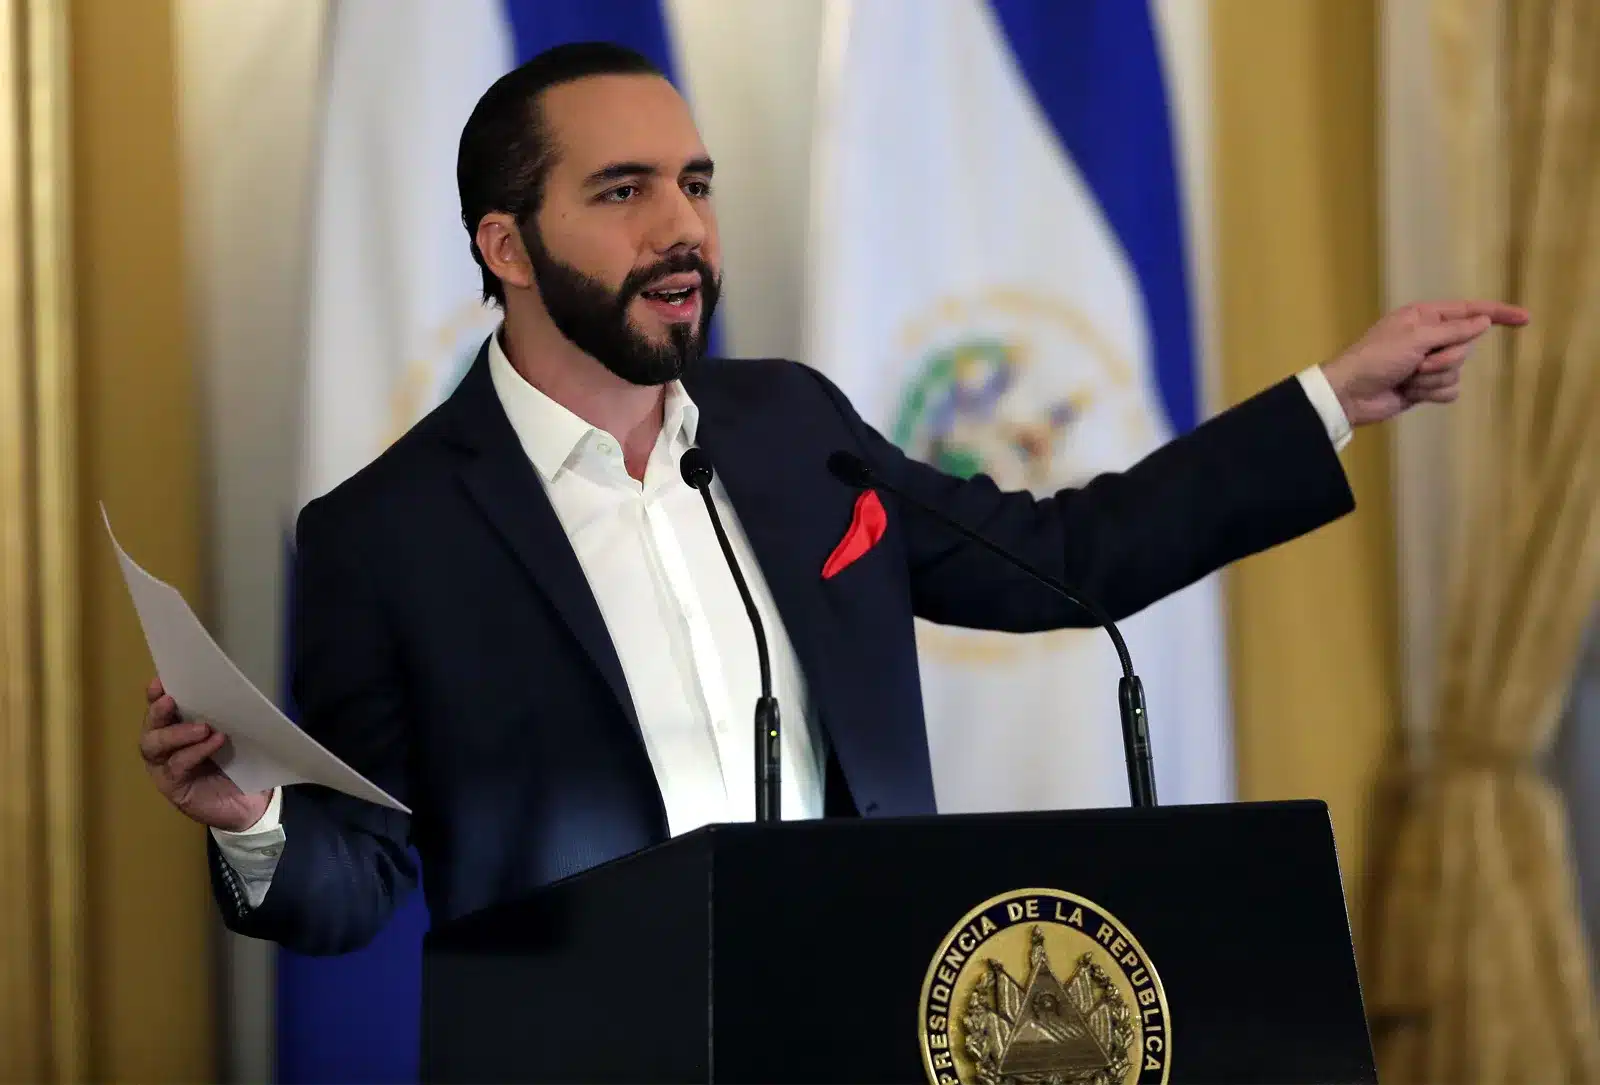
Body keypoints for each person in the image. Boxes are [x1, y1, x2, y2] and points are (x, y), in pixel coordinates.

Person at [139, 41, 1526, 955]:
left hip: (857, 1028)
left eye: (693, 184)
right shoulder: (387, 535)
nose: (680, 229)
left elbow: (1067, 554)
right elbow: (360, 879)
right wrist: (252, 824)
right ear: (505, 244)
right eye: (621, 192)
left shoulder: (792, 429)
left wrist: (1332, 403)